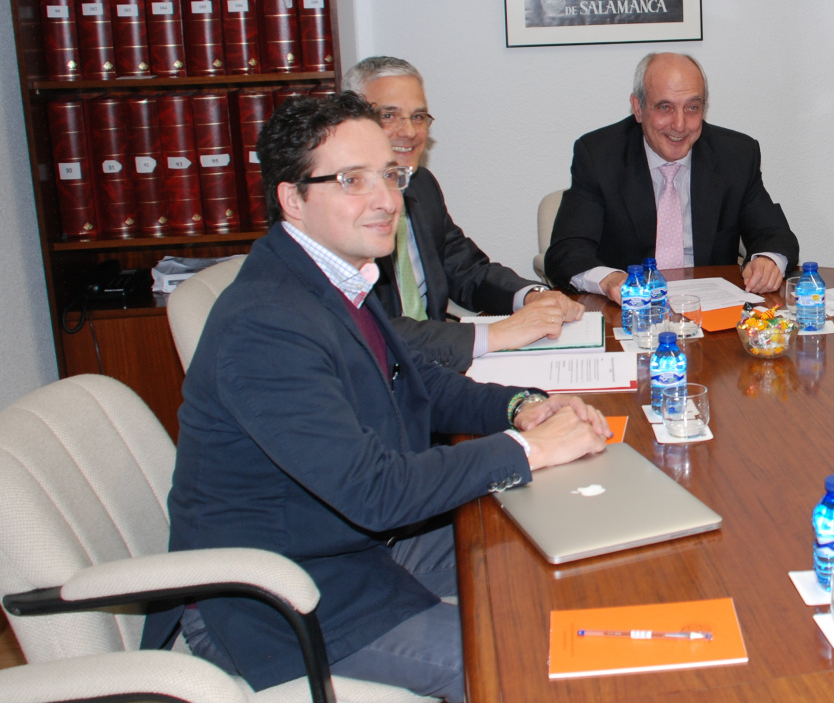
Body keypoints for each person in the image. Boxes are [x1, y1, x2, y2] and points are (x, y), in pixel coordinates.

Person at [142, 92, 610, 700]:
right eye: (352, 180)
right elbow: (376, 491)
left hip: (354, 547)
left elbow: (419, 382)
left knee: (575, 541)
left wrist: (519, 406)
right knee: (534, 658)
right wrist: (528, 450)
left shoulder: (335, 275)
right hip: (282, 598)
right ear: (293, 199)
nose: (388, 199)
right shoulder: (265, 323)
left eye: (390, 175)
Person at [345, 56, 583, 370]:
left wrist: (532, 295)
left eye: (418, 117)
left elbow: (467, 271)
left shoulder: (420, 186)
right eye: (389, 115)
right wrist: (494, 334)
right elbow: (373, 329)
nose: (410, 131)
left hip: (435, 367)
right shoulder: (341, 207)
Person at [545, 51, 799, 301]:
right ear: (638, 108)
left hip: (713, 311)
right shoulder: (599, 156)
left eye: (692, 107)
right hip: (629, 311)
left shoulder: (736, 155)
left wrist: (768, 259)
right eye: (665, 107)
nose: (680, 124)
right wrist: (609, 280)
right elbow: (567, 250)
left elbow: (774, 234)